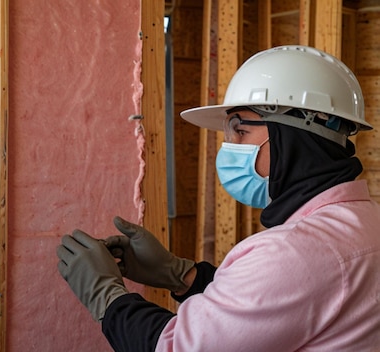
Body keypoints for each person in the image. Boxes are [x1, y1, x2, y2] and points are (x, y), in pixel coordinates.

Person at [56, 45, 380, 351]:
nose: (230, 147)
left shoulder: (292, 252)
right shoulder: (366, 221)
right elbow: (271, 309)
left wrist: (106, 295)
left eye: (240, 130)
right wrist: (180, 274)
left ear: (293, 137)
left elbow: (177, 347)